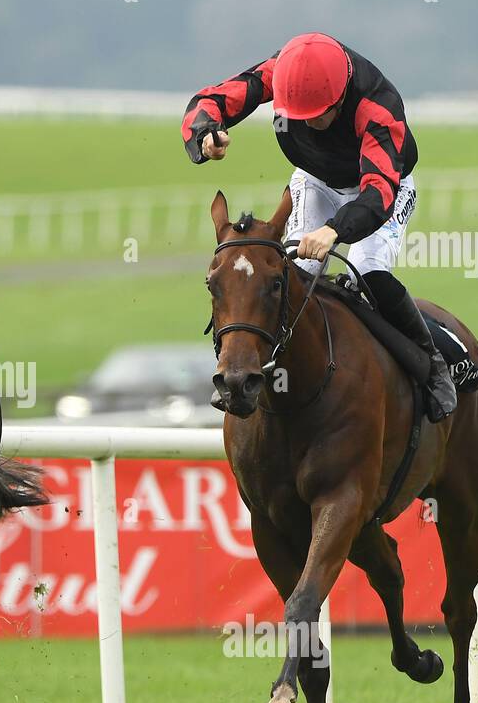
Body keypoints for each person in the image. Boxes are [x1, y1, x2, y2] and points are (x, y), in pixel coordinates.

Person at [181, 32, 458, 421]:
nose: (307, 125)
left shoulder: (379, 107)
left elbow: (378, 194)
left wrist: (334, 230)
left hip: (379, 188)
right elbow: (208, 101)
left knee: (368, 269)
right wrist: (203, 132)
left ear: (342, 98)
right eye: (297, 116)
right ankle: (257, 369)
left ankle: (432, 364)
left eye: (317, 115)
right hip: (315, 180)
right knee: (296, 274)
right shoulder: (281, 73)